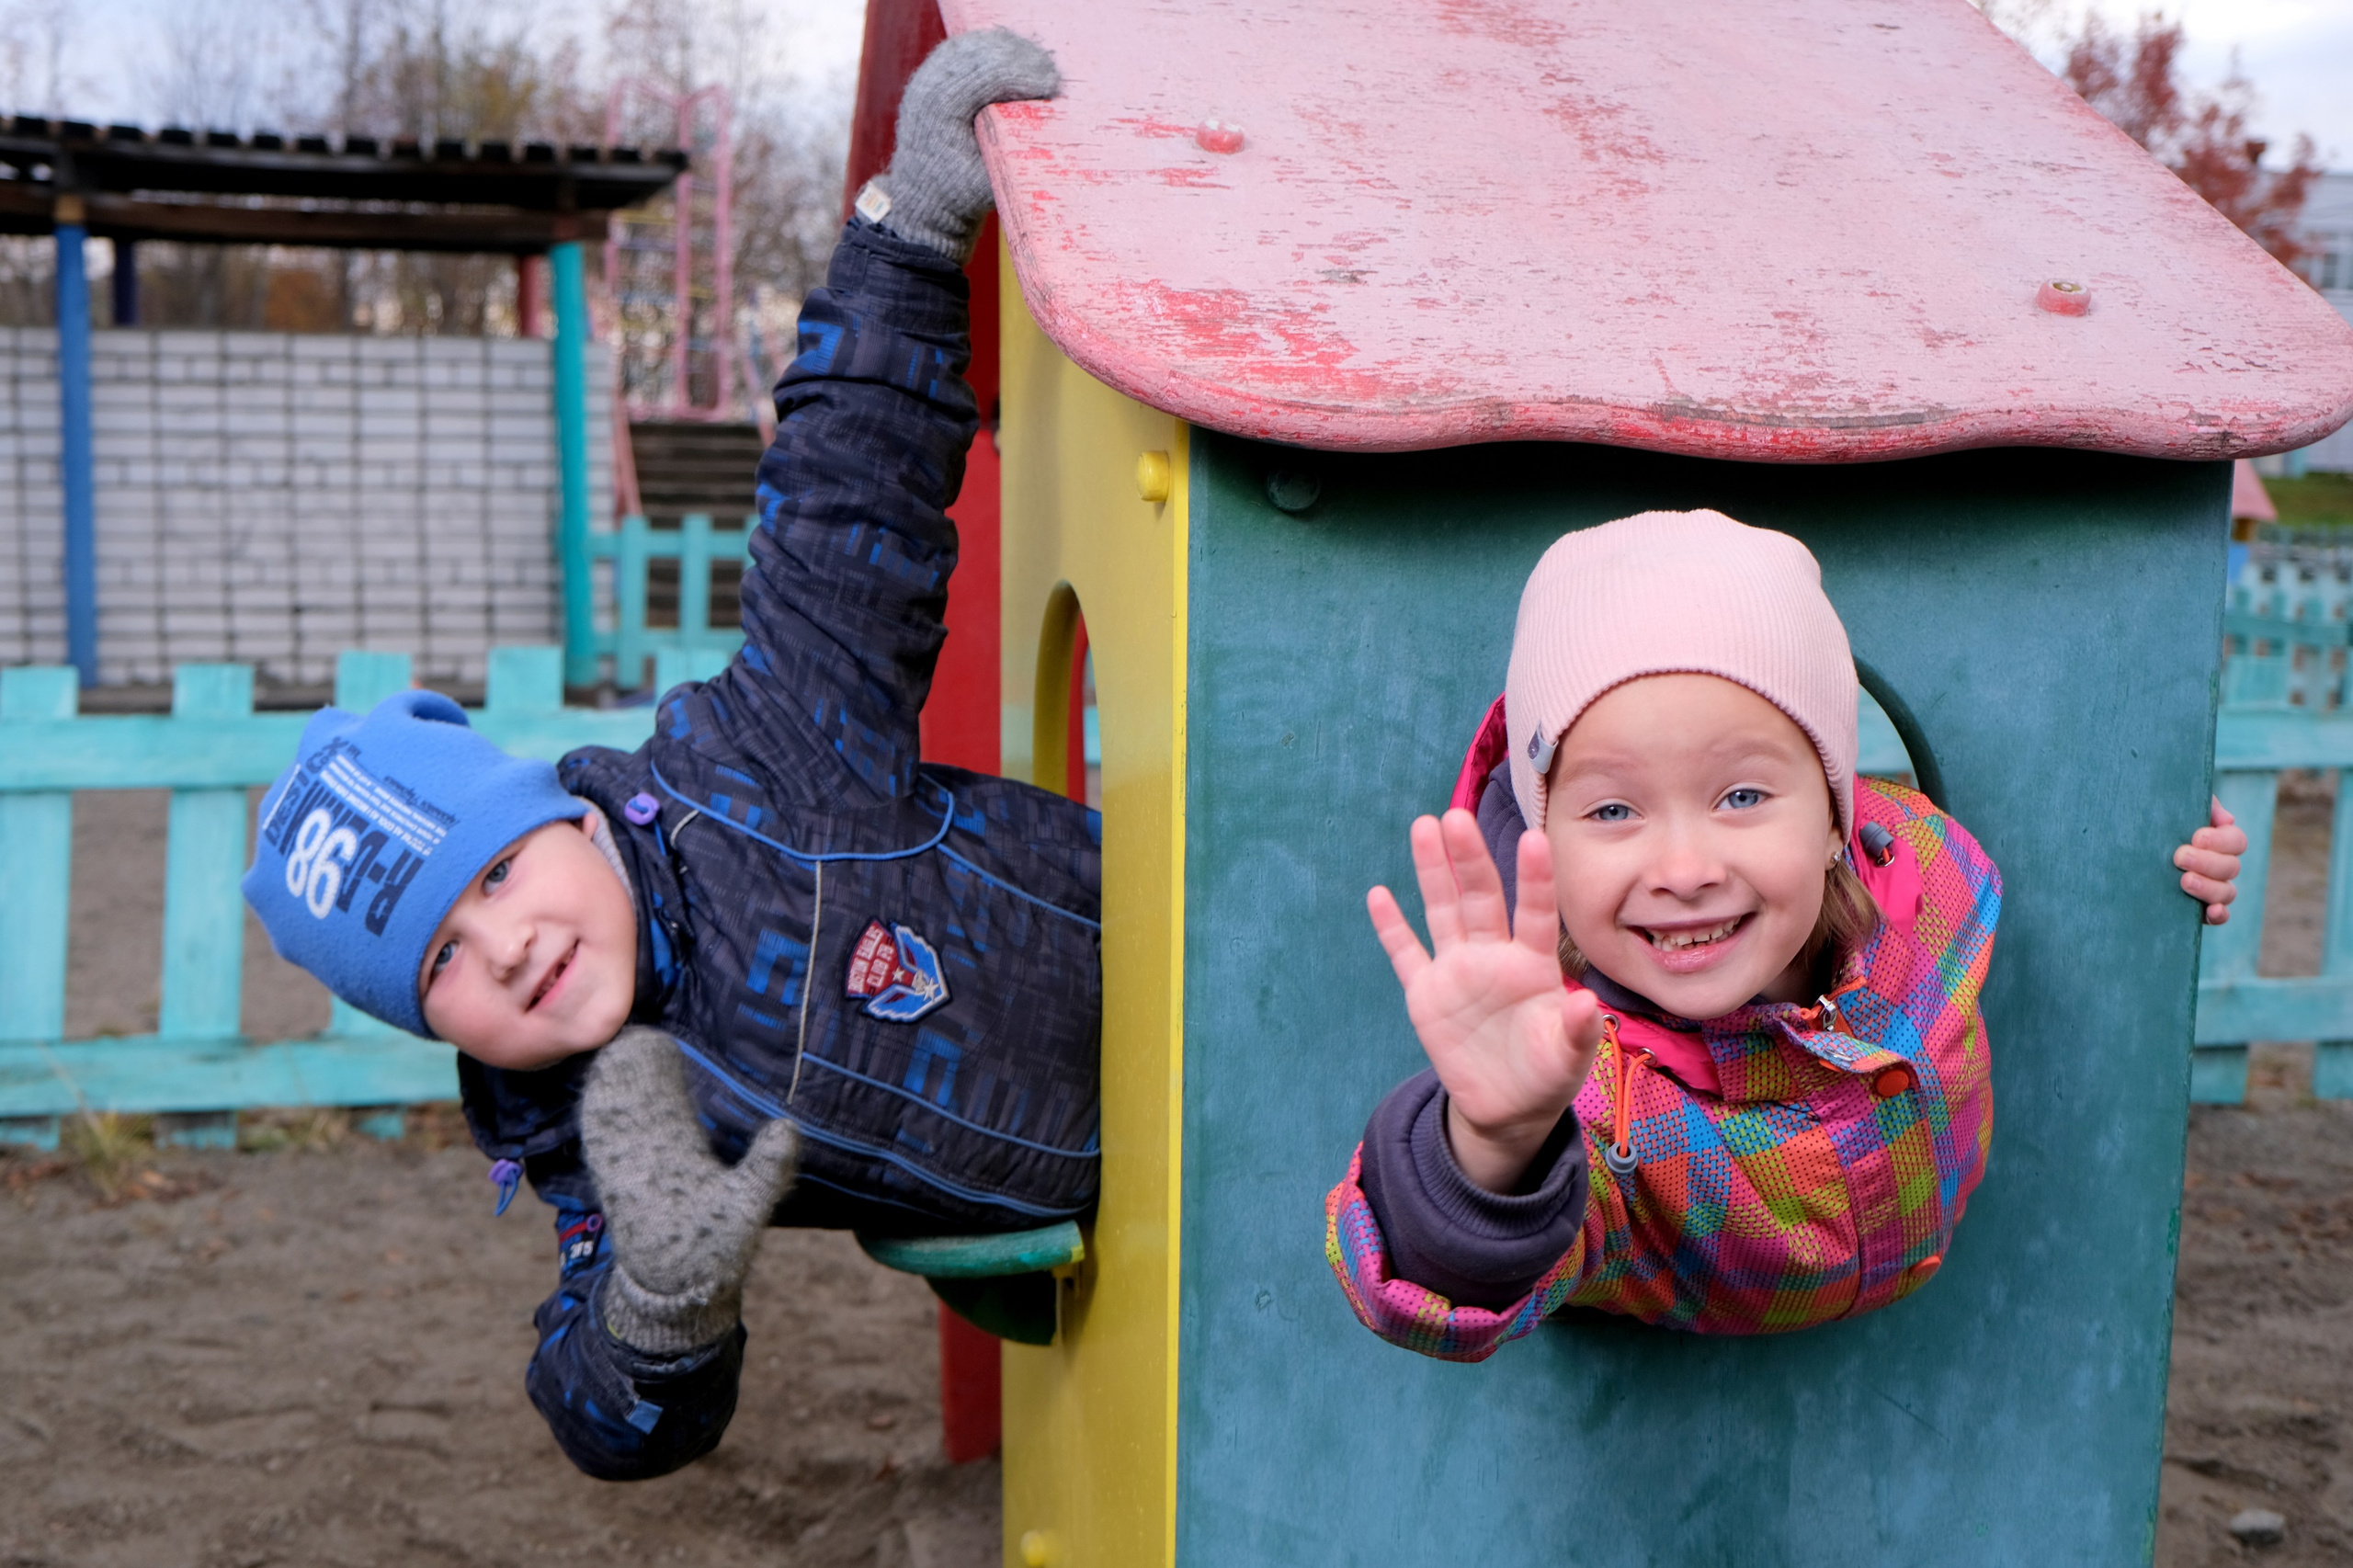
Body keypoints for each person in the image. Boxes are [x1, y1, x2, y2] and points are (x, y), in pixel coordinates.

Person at [241, 29, 1077, 1478]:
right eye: (441, 965)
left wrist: (908, 232)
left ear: (566, 815)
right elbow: (603, 1415)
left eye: (493, 875)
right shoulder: (591, 1138)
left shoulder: (765, 760)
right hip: (1105, 1235)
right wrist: (660, 1308)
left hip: (1193, 968)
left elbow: (845, 508)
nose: (503, 946)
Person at [1324, 509, 2246, 1360]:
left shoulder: (1927, 870)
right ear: (1545, 840)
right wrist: (1496, 1139)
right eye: (1612, 809)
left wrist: (2163, 845)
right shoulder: (1586, 1092)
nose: (1684, 867)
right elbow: (1428, 1286)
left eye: (1741, 795)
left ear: (1837, 814)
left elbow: (2080, 828)